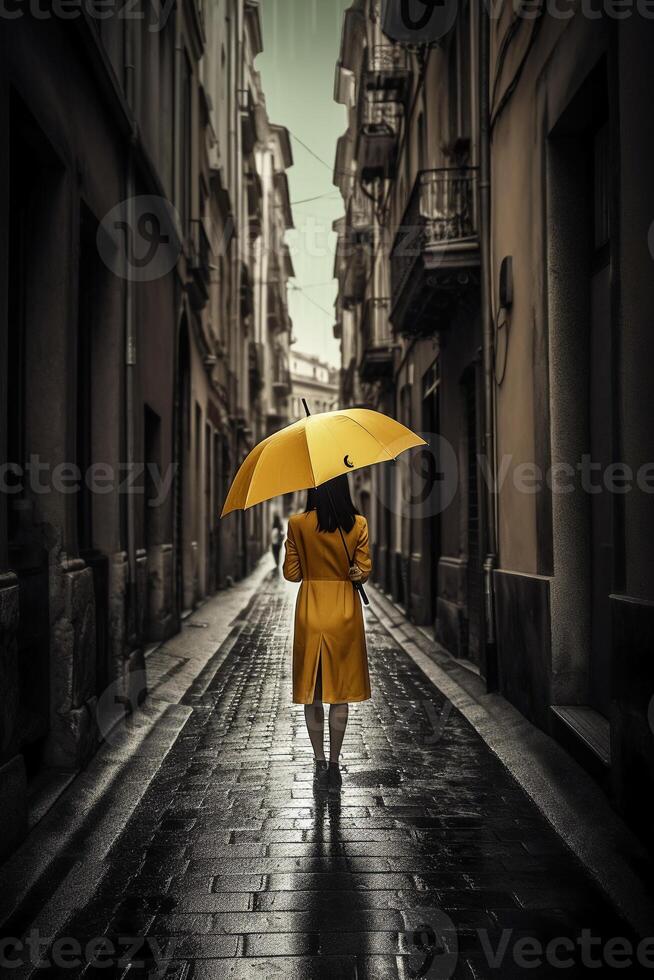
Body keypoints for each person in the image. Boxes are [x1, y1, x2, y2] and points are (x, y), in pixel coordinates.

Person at [283, 474, 372, 793]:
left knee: (314, 692)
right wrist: (350, 571)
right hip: (345, 613)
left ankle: (318, 759)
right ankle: (335, 762)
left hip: (311, 611)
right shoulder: (358, 524)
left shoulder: (297, 524)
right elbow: (363, 570)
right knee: (340, 692)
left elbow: (291, 574)